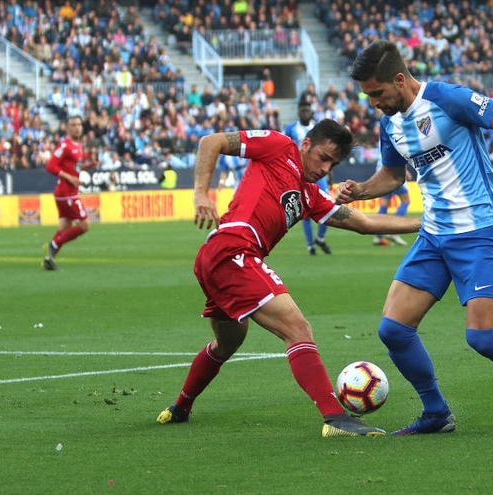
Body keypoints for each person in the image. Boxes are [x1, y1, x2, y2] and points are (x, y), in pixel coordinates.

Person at [338, 41, 493, 435]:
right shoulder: (389, 123)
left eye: (377, 93)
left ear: (399, 79)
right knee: (393, 330)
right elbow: (393, 176)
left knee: (483, 338)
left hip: (479, 232)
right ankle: (436, 413)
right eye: (367, 96)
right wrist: (359, 190)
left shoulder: (446, 98)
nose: (373, 103)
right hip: (433, 236)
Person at [157, 120, 421, 437]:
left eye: (333, 164)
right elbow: (211, 140)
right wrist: (200, 194)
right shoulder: (278, 146)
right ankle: (336, 418)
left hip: (221, 258)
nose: (325, 168)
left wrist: (423, 224)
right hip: (233, 250)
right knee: (297, 328)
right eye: (323, 157)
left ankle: (180, 407)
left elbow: (364, 223)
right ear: (306, 144)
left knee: (228, 341)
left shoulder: (309, 195)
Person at [284, 102, 331, 255]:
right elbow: (285, 148)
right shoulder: (291, 129)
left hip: (318, 173)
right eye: (302, 111)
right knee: (304, 210)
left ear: (311, 113)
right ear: (298, 113)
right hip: (300, 174)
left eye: (307, 111)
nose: (305, 113)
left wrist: (329, 173)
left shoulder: (318, 129)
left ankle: (321, 238)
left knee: (330, 204)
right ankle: (310, 245)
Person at [42, 115, 88, 271]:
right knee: (83, 225)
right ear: (68, 127)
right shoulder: (65, 145)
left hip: (68, 192)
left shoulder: (78, 146)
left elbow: (73, 167)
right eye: (73, 125)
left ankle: (49, 258)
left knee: (65, 226)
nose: (77, 127)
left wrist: (88, 166)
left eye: (79, 124)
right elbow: (50, 166)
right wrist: (70, 178)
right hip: (66, 192)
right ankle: (52, 246)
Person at [371, 160, 411, 247]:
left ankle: (378, 236)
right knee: (405, 201)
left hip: (381, 175)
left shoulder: (381, 147)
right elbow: (394, 155)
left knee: (384, 205)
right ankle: (394, 231)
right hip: (393, 174)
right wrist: (406, 172)